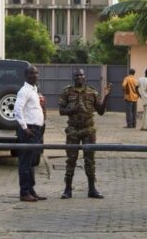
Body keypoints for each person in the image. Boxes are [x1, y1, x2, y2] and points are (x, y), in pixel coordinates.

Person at [59, 68, 112, 199]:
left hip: (88, 130)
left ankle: (92, 189)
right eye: (77, 76)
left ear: (85, 77)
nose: (79, 77)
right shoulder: (67, 92)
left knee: (90, 160)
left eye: (81, 75)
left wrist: (106, 97)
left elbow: (100, 111)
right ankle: (67, 189)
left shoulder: (93, 92)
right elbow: (61, 110)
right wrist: (71, 110)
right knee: (71, 160)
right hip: (73, 130)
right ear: (73, 78)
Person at [14, 65, 47, 202]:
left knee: (32, 162)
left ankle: (31, 190)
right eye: (32, 73)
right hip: (28, 131)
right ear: (26, 76)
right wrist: (24, 127)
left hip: (37, 130)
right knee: (25, 163)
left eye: (36, 73)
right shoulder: (24, 91)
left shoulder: (34, 90)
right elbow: (17, 110)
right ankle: (24, 192)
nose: (35, 75)